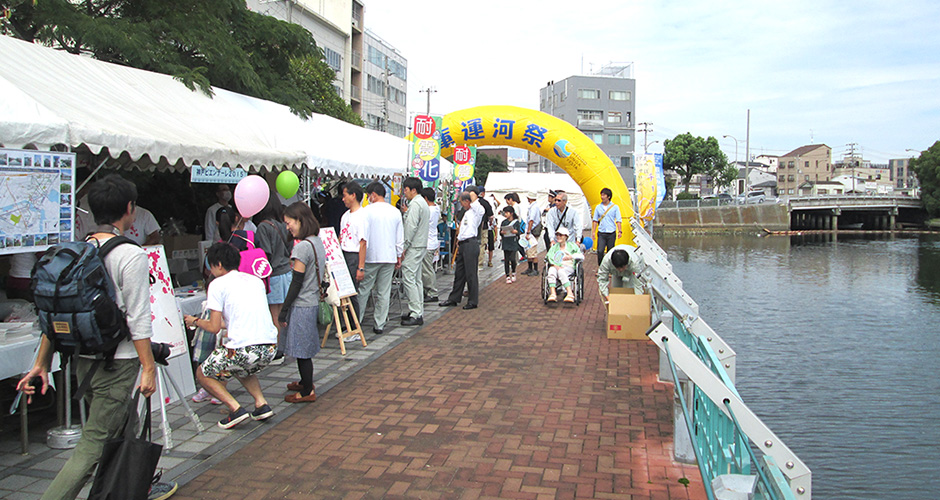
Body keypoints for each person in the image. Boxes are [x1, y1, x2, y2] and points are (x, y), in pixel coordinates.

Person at [16, 174, 170, 500]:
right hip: (120, 363)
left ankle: (132, 484)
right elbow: (138, 319)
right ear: (130, 209)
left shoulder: (75, 251)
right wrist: (147, 366)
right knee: (93, 445)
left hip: (84, 361)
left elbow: (57, 312)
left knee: (122, 427)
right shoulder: (130, 255)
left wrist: (42, 363)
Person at [183, 243, 277, 429]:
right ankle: (261, 404)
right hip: (270, 347)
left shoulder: (217, 285)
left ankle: (235, 409)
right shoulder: (255, 280)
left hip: (243, 349)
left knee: (202, 373)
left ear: (218, 264)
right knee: (240, 367)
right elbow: (237, 319)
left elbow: (213, 327)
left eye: (210, 265)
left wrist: (194, 321)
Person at [279, 202, 326, 403]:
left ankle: (307, 390)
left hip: (302, 303)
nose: (288, 227)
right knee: (304, 346)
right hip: (313, 300)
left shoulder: (303, 247)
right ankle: (304, 382)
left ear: (300, 220)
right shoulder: (316, 241)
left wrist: (284, 309)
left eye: (289, 223)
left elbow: (296, 282)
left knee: (302, 350)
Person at [356, 182, 404, 334]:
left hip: (371, 256)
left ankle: (357, 321)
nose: (368, 198)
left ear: (373, 195)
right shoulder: (395, 212)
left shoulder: (366, 211)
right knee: (384, 292)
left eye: (369, 195)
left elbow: (362, 236)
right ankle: (380, 324)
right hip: (389, 256)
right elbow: (399, 237)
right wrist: (398, 255)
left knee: (364, 290)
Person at [252, 192, 293, 360]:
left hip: (274, 275)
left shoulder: (263, 226)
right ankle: (285, 346)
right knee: (284, 315)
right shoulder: (283, 224)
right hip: (286, 273)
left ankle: (276, 350)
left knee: (274, 315)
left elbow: (265, 254)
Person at [439, 191, 484, 310]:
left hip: (471, 243)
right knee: (459, 273)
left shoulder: (477, 211)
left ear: (467, 201)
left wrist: (470, 192)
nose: (461, 205)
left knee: (471, 274)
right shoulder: (466, 213)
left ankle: (473, 300)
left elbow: (475, 199)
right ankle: (454, 298)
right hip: (463, 244)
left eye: (462, 202)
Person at [400, 177, 429, 326]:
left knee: (409, 276)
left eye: (405, 189)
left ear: (413, 190)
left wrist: (404, 246)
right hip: (420, 244)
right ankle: (417, 311)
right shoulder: (422, 203)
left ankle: (415, 312)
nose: (404, 193)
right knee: (416, 279)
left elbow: (410, 227)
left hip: (414, 245)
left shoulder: (416, 204)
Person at [339, 182, 366, 334]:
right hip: (343, 254)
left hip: (354, 256)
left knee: (352, 292)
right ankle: (347, 323)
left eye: (345, 195)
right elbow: (341, 235)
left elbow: (363, 243)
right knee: (345, 291)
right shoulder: (345, 216)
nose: (343, 199)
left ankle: (354, 327)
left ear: (353, 195)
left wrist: (360, 267)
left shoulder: (361, 216)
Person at [545, 226, 584, 303]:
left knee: (561, 271)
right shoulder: (554, 247)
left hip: (568, 266)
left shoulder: (572, 246)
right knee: (551, 270)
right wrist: (555, 265)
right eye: (557, 235)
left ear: (566, 236)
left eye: (560, 235)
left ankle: (570, 293)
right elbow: (548, 256)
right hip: (556, 265)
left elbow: (581, 256)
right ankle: (553, 293)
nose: (558, 237)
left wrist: (571, 256)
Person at [592, 188, 623, 265]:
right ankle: (601, 267)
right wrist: (593, 231)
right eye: (601, 195)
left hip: (611, 232)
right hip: (601, 232)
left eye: (604, 195)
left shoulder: (615, 207)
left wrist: (620, 231)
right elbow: (595, 220)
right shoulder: (598, 207)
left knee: (610, 251)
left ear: (608, 196)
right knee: (600, 250)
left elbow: (618, 220)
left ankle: (610, 268)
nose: (602, 197)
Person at [421, 187, 441, 303]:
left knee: (427, 269)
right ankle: (428, 290)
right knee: (427, 268)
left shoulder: (429, 210)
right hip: (431, 241)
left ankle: (432, 292)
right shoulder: (436, 208)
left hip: (428, 243)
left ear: (425, 198)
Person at [499, 206, 521, 284]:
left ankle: (514, 272)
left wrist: (515, 232)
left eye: (507, 212)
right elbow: (500, 232)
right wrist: (502, 232)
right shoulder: (504, 222)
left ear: (511, 213)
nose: (505, 214)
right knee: (506, 259)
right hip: (506, 241)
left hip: (513, 241)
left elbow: (519, 232)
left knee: (512, 258)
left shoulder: (516, 222)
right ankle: (507, 276)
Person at [475, 186, 495, 267]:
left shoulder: (473, 202)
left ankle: (473, 261)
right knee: (482, 244)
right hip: (484, 226)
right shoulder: (485, 203)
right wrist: (490, 222)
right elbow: (491, 216)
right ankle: (479, 263)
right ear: (482, 193)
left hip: (474, 226)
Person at [523, 192, 542, 276]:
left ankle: (535, 269)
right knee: (529, 251)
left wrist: (528, 232)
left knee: (532, 251)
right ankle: (530, 268)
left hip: (532, 232)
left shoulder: (534, 208)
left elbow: (531, 220)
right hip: (531, 231)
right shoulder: (534, 207)